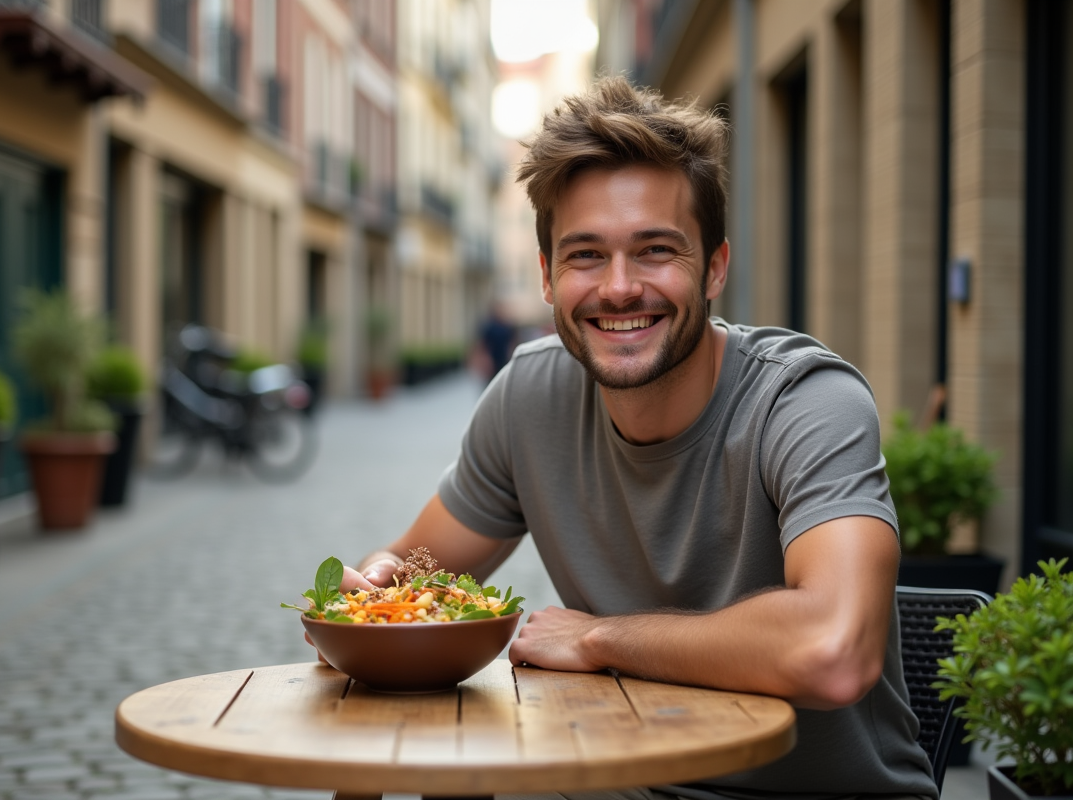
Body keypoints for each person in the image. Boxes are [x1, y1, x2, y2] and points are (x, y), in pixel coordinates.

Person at [328, 77, 936, 800]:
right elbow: (419, 565)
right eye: (586, 255)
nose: (619, 287)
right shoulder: (528, 398)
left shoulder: (805, 401)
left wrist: (599, 637)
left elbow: (833, 650)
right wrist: (379, 585)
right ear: (547, 277)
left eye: (654, 250)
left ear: (714, 268)